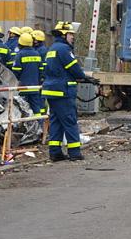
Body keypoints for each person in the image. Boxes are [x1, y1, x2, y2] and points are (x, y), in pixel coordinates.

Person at [41, 21, 90, 161]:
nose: (72, 37)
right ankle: (74, 152)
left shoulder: (51, 49)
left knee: (56, 122)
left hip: (51, 91)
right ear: (63, 35)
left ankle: (55, 152)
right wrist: (84, 78)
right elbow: (74, 68)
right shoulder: (64, 49)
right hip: (63, 91)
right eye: (70, 34)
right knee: (70, 121)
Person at [12, 32, 45, 115]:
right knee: (36, 109)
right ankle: (39, 126)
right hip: (35, 87)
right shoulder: (37, 54)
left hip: (23, 88)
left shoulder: (20, 55)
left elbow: (16, 71)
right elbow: (41, 70)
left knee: (22, 109)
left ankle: (24, 125)